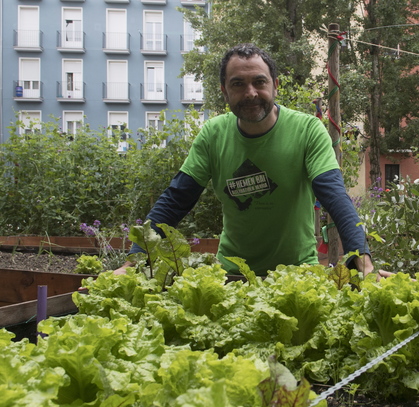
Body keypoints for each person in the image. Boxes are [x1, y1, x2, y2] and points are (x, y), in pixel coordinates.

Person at [117, 43, 387, 278]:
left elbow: (335, 197)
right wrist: (135, 260)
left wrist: (362, 262)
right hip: (232, 275)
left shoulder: (307, 131)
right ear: (224, 90)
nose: (250, 93)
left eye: (259, 82)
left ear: (275, 86)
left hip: (298, 275)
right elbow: (176, 200)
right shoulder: (213, 135)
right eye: (238, 84)